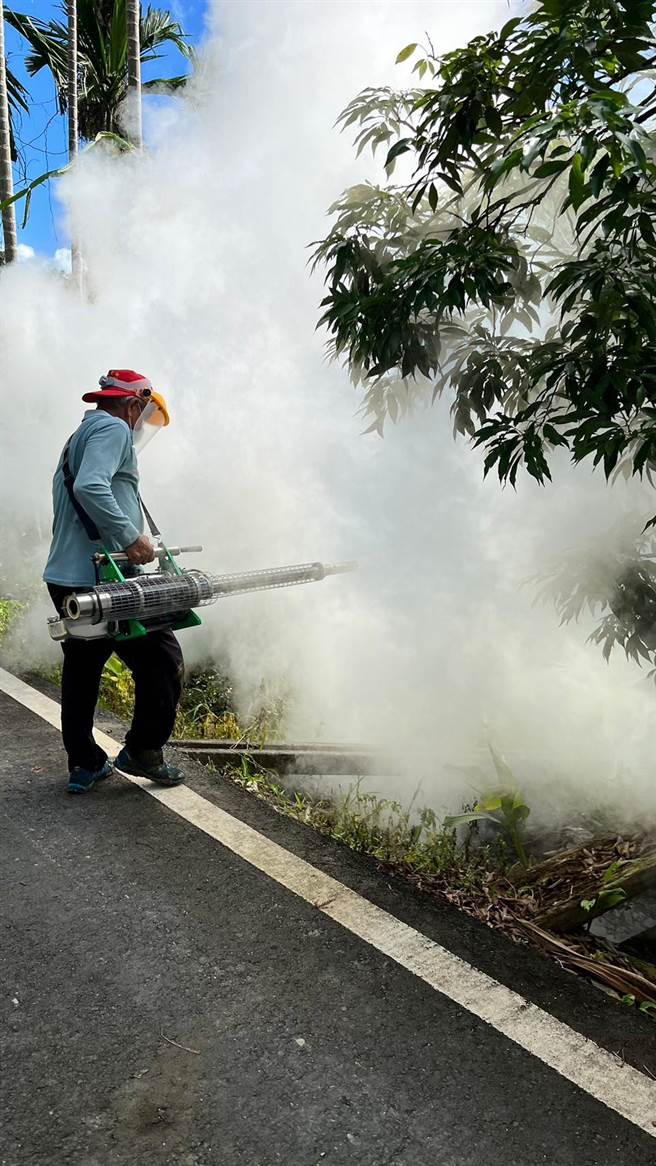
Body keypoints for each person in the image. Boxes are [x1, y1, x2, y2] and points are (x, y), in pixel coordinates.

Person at [44, 369, 185, 794]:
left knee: (83, 669)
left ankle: (85, 764)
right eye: (144, 412)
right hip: (105, 579)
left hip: (68, 578)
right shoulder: (111, 428)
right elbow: (90, 487)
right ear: (132, 403)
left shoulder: (80, 436)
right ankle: (142, 751)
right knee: (162, 658)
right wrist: (131, 538)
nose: (143, 425)